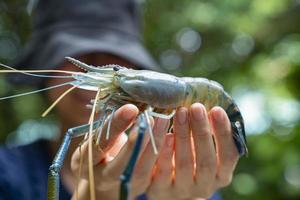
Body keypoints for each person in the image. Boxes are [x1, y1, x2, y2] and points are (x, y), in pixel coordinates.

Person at [0, 0, 239, 199]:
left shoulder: (189, 179)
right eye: (74, 56)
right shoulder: (7, 173)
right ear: (46, 66)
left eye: (113, 59)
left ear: (135, 65)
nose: (91, 65)